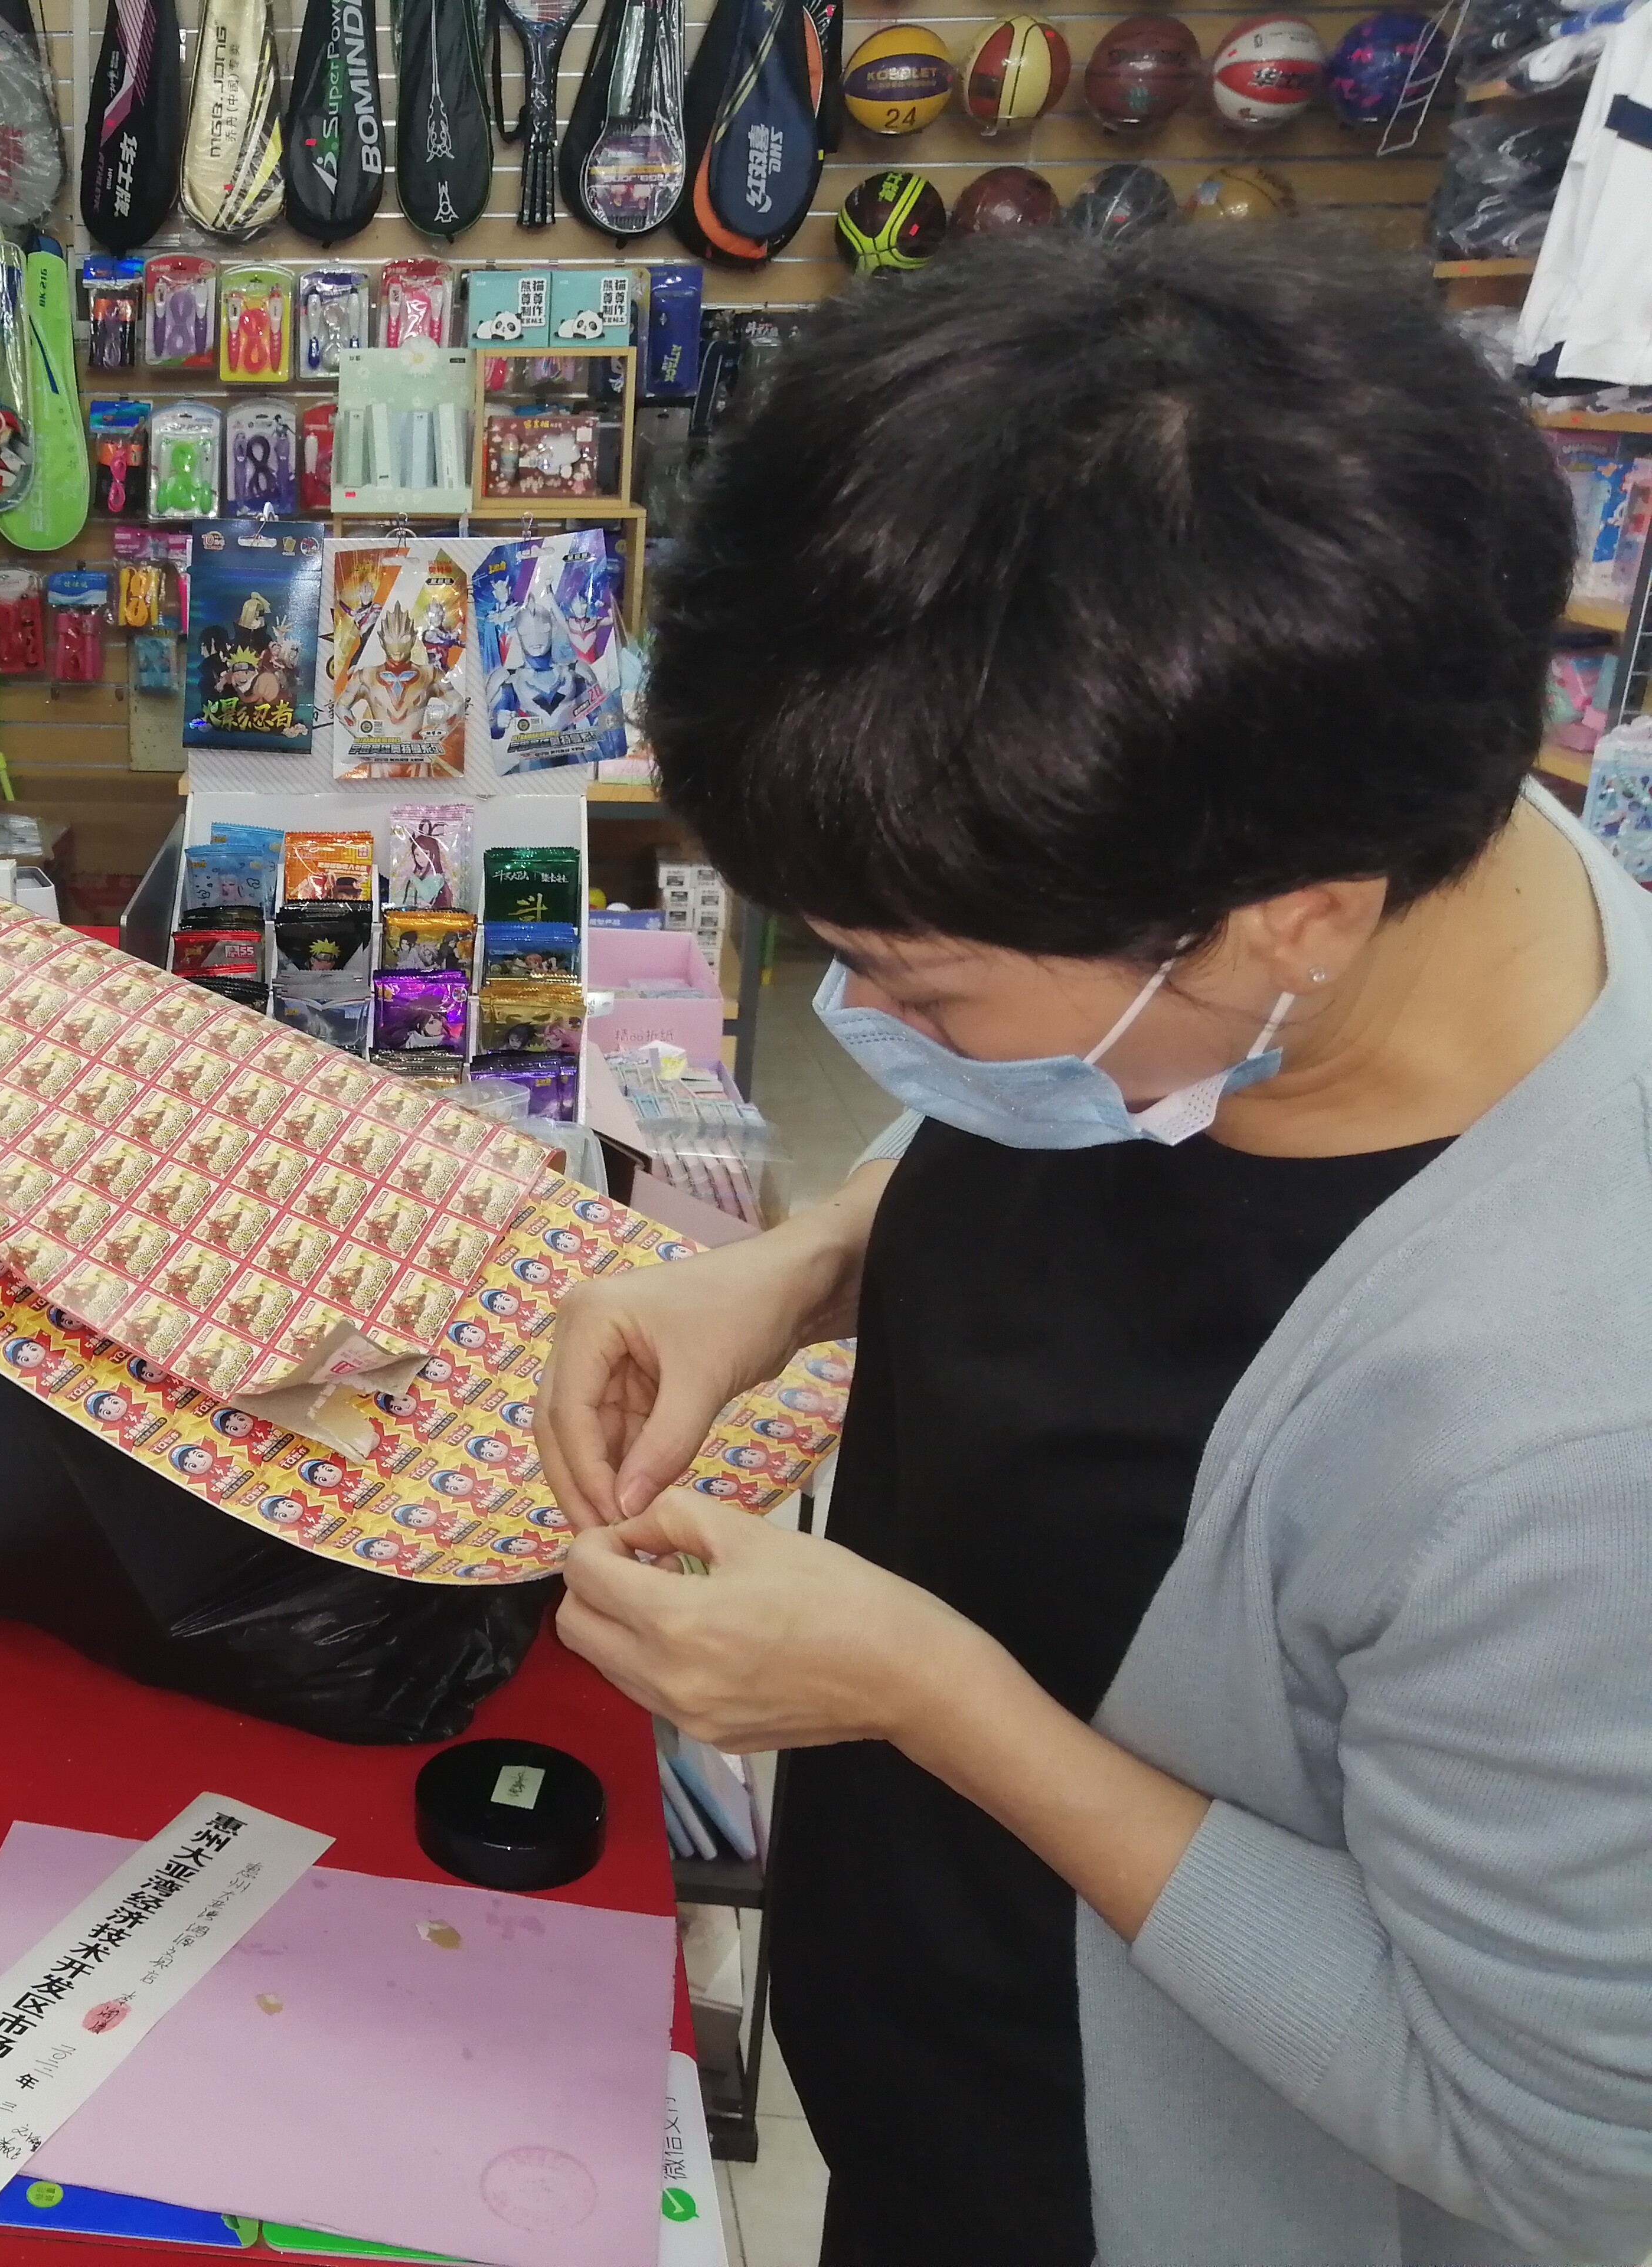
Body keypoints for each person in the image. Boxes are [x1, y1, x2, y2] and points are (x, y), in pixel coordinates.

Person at [534, 228, 1652, 2267]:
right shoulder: (1350, 827)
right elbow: (1082, 1121)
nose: (872, 1027)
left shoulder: (1579, 1447)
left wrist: (931, 1696)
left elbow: (1560, 2144)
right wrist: (801, 1270)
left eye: (921, 987)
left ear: (1293, 919)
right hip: (930, 2079)